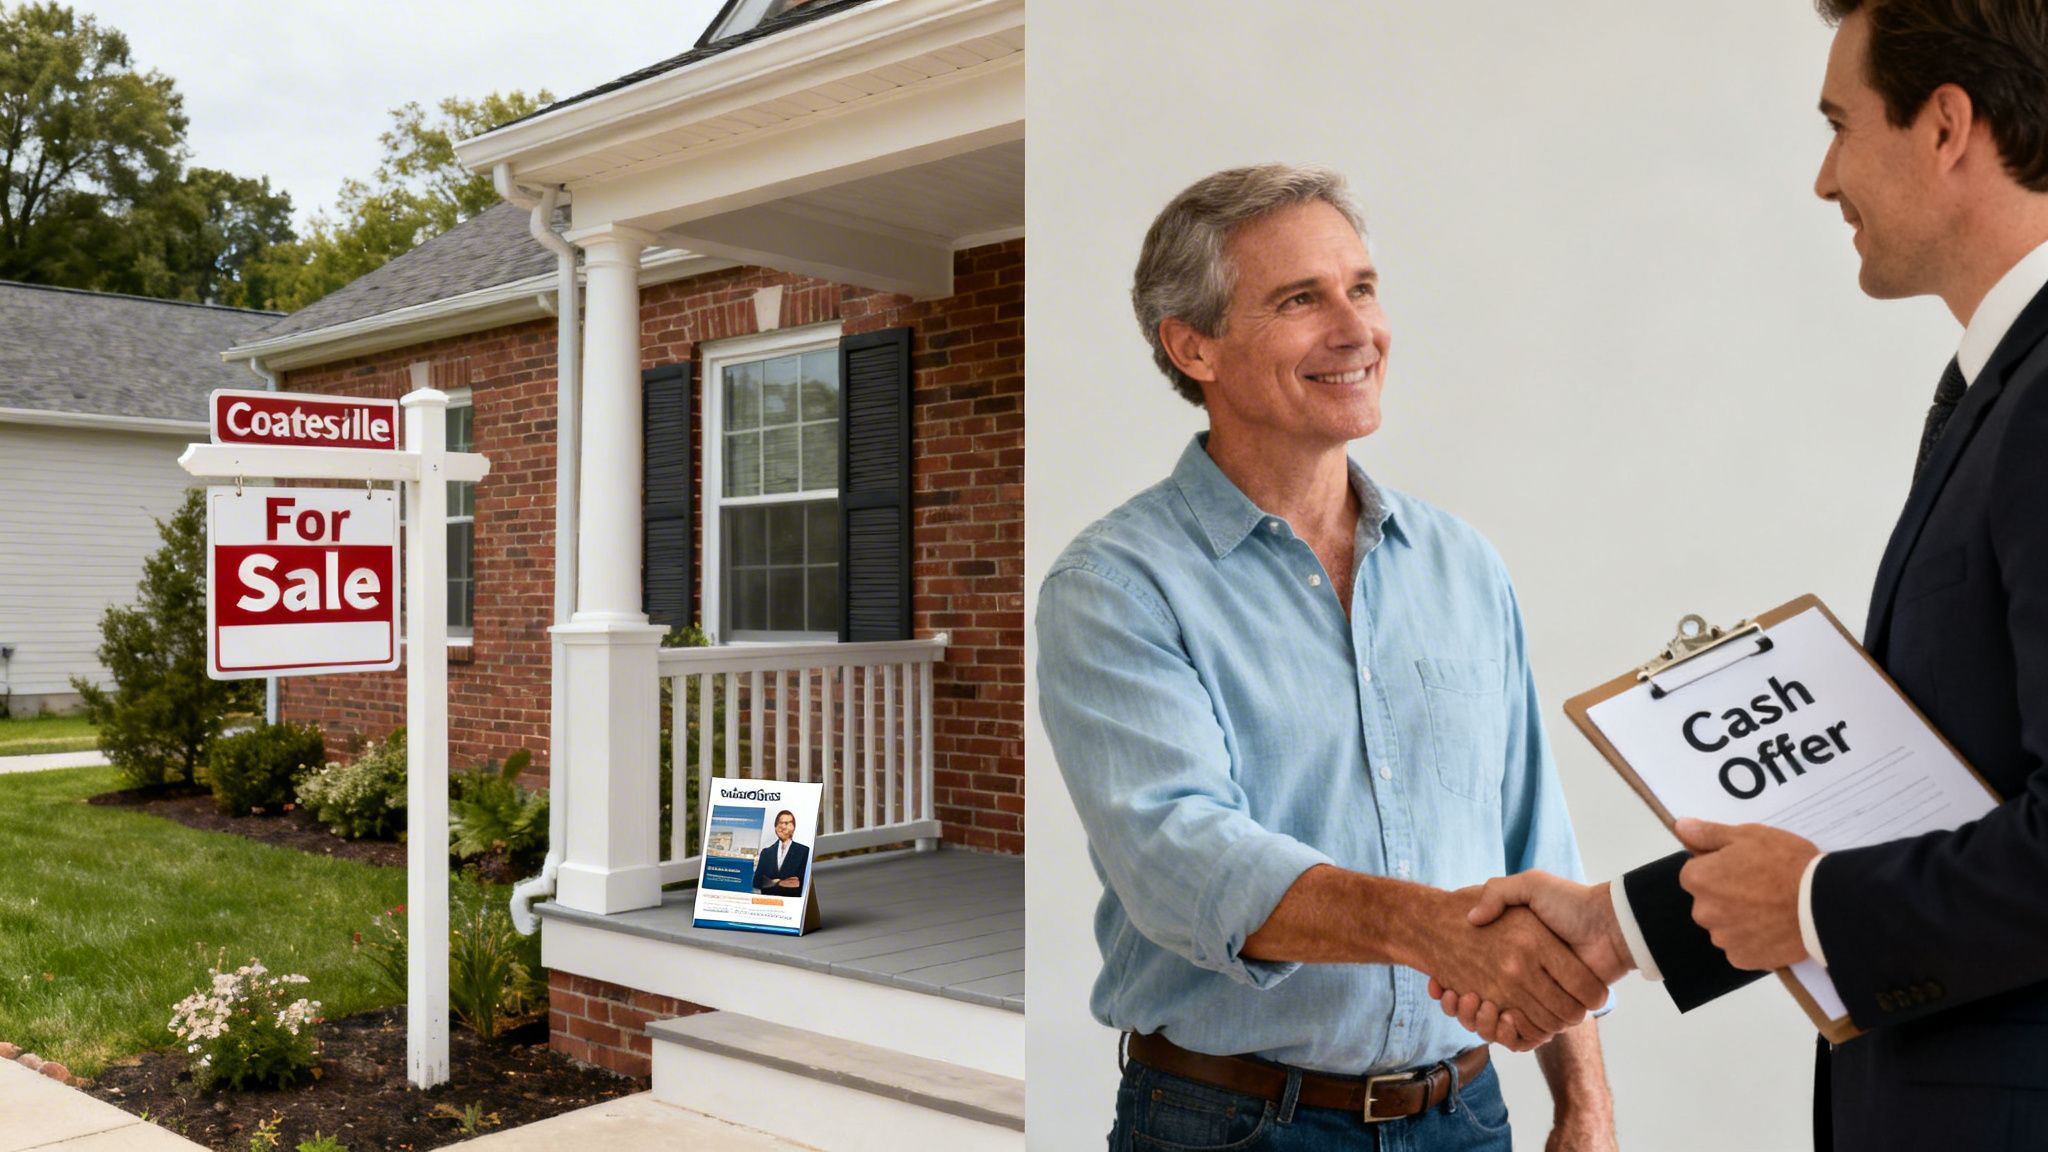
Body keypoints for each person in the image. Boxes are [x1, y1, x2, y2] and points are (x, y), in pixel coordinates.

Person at [1431, 2, 2048, 1147]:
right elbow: (1945, 794)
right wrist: (1617, 926)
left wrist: (1809, 905)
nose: (1822, 178)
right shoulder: (1993, 386)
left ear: (1945, 126)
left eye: (1838, 123)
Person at [1036, 163, 1617, 1151]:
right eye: (1300, 299)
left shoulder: (1460, 566)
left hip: (1465, 1117)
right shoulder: (1116, 585)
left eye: (1360, 287)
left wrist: (1583, 1104)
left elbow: (1534, 846)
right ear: (1193, 346)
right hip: (1233, 1123)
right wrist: (1427, 927)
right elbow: (1179, 857)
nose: (1355, 330)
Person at [752, 809, 808, 896]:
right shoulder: (766, 852)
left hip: (791, 904)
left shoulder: (804, 851)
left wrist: (769, 882)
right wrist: (780, 882)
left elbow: (800, 884)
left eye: (787, 823)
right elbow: (756, 882)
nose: (783, 827)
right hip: (768, 903)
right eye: (780, 823)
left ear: (793, 827)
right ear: (775, 827)